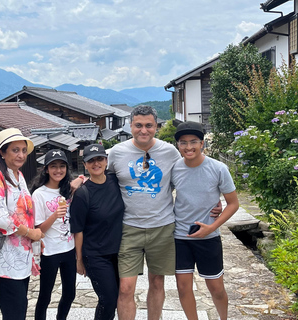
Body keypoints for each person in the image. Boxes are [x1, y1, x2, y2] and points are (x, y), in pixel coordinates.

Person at [107, 105, 181, 320]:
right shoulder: (117, 153)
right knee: (125, 287)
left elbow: (185, 180)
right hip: (128, 228)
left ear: (156, 126)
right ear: (130, 126)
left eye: (149, 125)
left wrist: (210, 203)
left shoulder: (170, 152)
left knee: (157, 282)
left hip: (163, 226)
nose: (144, 130)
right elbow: (102, 180)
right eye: (138, 125)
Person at [171, 121, 239, 320]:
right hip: (180, 236)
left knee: (216, 287)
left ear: (202, 143)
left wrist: (211, 228)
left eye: (193, 142)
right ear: (178, 145)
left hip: (209, 237)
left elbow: (233, 203)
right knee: (183, 288)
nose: (188, 147)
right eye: (183, 142)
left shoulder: (218, 168)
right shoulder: (174, 168)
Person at [0, 127, 44, 320]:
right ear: (2, 152)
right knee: (15, 313)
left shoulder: (17, 175)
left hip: (20, 257)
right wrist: (30, 233)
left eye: (23, 150)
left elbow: (24, 213)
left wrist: (34, 238)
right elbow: (0, 219)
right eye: (15, 150)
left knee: (19, 309)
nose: (21, 155)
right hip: (2, 258)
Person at [70, 143, 124, 320]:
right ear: (85, 165)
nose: (96, 163)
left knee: (118, 298)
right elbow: (78, 230)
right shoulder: (82, 194)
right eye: (90, 161)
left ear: (106, 161)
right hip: (95, 255)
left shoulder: (115, 181)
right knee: (108, 299)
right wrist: (79, 260)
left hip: (119, 252)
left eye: (99, 159)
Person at [31, 149, 76, 320]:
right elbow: (39, 230)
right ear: (46, 170)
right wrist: (55, 215)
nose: (58, 170)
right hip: (50, 252)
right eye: (54, 166)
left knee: (70, 293)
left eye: (62, 166)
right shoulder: (39, 194)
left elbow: (82, 181)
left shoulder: (68, 190)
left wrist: (79, 180)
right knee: (45, 295)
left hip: (69, 249)